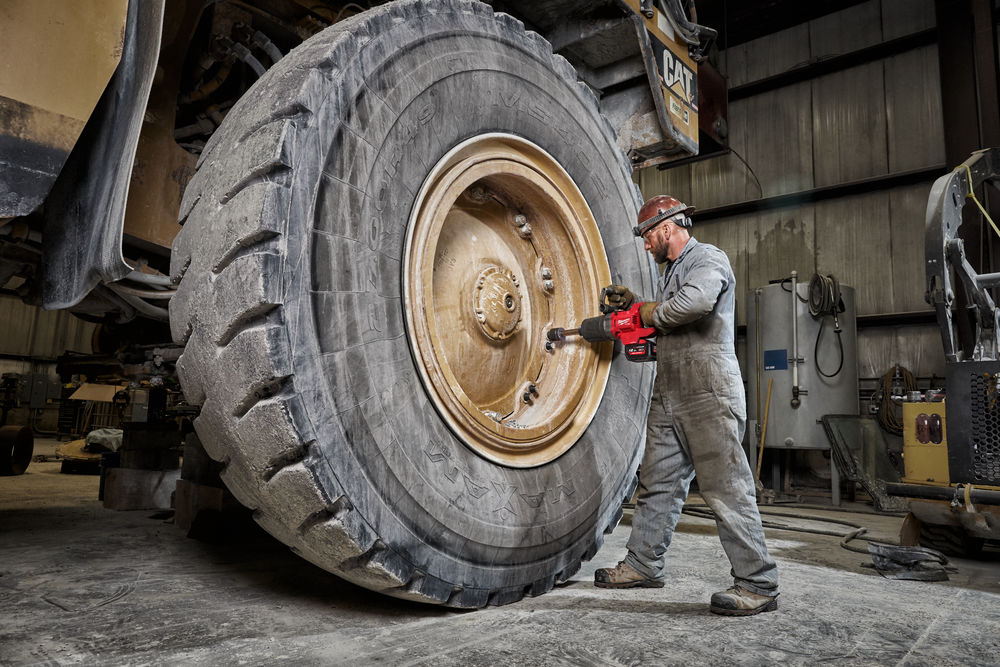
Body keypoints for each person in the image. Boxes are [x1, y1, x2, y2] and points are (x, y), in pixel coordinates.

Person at [594, 195, 779, 616]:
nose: (645, 246)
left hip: (708, 393)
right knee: (658, 483)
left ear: (665, 229)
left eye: (646, 237)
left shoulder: (706, 258)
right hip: (671, 392)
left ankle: (757, 583)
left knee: (727, 489)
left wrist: (645, 311)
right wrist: (637, 304)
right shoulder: (672, 274)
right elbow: (666, 317)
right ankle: (643, 564)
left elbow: (695, 305)